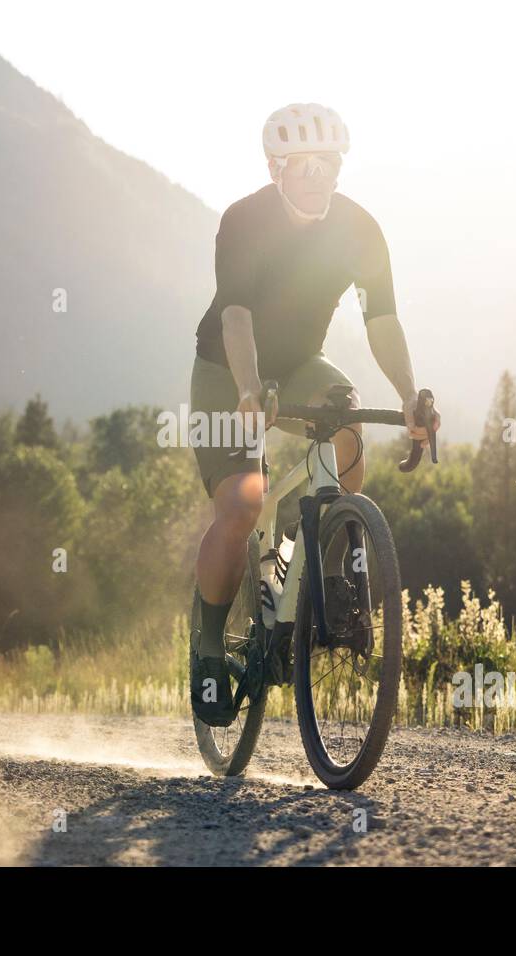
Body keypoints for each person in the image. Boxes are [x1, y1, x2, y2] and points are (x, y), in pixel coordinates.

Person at [189, 102, 438, 725]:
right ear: (276, 169)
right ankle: (209, 647)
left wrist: (409, 396)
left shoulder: (359, 229)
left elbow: (381, 319)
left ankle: (322, 563)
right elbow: (237, 316)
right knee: (243, 504)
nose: (318, 176)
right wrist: (249, 390)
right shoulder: (244, 221)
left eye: (328, 163)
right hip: (227, 369)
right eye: (304, 165)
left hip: (301, 361)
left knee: (347, 419)